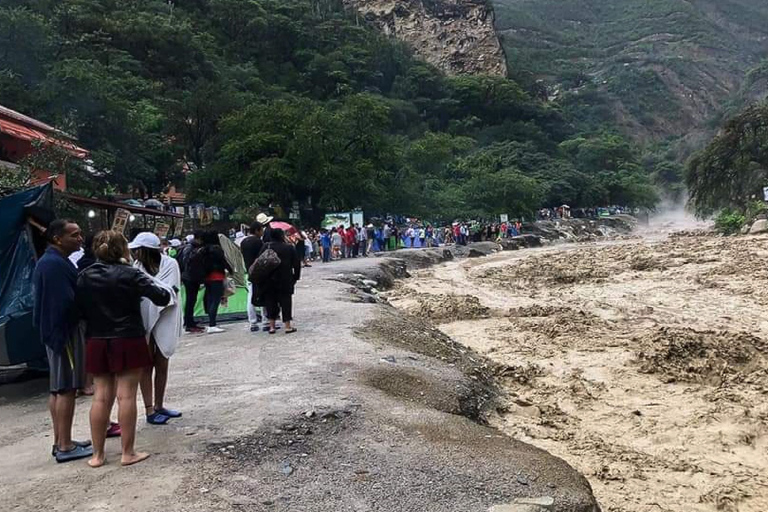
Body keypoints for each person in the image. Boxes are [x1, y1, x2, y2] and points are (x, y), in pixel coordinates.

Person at [77, 230, 170, 467]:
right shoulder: (131, 274)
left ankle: (97, 455)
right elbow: (161, 297)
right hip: (128, 337)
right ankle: (127, 453)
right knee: (126, 395)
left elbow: (77, 309)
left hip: (97, 338)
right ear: (123, 249)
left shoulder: (85, 275)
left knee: (100, 396)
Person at [33, 219, 94, 463]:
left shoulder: (52, 261)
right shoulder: (54, 265)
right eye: (74, 235)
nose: (80, 239)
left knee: (58, 387)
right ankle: (66, 446)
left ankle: (61, 440)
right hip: (64, 334)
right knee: (66, 388)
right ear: (58, 238)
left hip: (56, 332)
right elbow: (65, 302)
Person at [130, 232, 183, 426]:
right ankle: (149, 409)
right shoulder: (135, 268)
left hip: (166, 317)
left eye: (137, 250)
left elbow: (170, 292)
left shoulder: (170, 264)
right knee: (146, 365)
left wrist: (151, 289)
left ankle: (160, 405)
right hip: (144, 319)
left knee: (162, 363)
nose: (135, 253)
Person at [257, 228, 301, 334]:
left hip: (268, 279)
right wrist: (295, 277)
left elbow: (259, 262)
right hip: (285, 279)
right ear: (282, 236)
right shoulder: (289, 248)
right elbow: (297, 264)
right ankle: (287, 326)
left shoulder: (265, 246)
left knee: (270, 302)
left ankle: (272, 326)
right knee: (286, 302)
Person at [201, 231, 233, 334]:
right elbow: (223, 261)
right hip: (217, 277)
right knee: (215, 301)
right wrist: (231, 270)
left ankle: (211, 322)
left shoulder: (203, 250)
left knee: (210, 300)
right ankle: (212, 324)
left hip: (207, 277)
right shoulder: (217, 249)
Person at [176, 232, 205, 333]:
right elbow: (187, 262)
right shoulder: (190, 248)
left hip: (191, 277)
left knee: (192, 300)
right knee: (190, 300)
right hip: (190, 278)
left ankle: (190, 321)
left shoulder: (191, 247)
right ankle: (189, 323)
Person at [241, 221, 265, 332]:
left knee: (250, 297)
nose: (262, 232)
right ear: (257, 230)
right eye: (261, 230)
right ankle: (265, 320)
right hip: (260, 272)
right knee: (264, 296)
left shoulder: (244, 242)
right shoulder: (259, 242)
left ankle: (253, 322)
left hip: (249, 272)